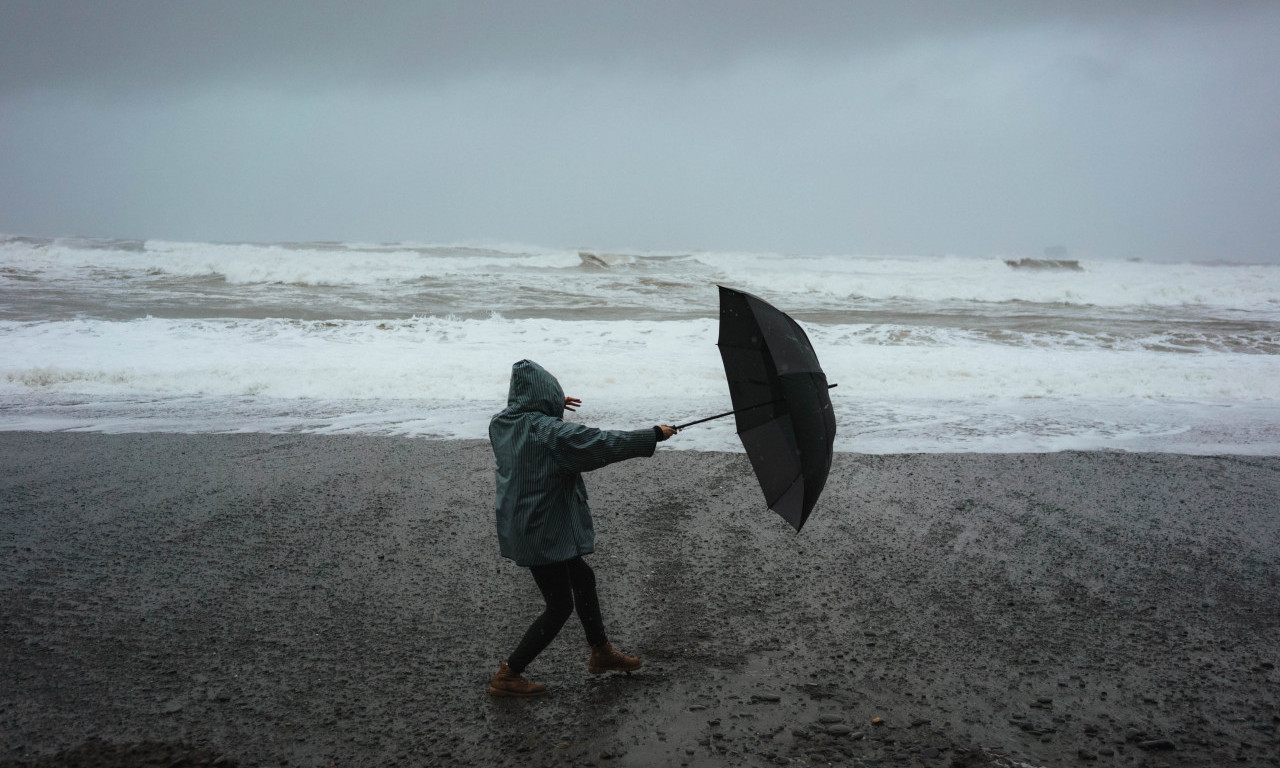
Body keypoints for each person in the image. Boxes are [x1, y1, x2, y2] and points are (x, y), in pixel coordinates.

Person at [487, 359, 677, 697]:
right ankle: (509, 674)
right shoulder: (550, 433)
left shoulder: (502, 424)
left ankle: (601, 652)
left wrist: (550, 405)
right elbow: (601, 444)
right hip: (542, 531)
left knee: (583, 578)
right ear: (544, 397)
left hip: (524, 523)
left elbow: (532, 421)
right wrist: (652, 436)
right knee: (559, 605)